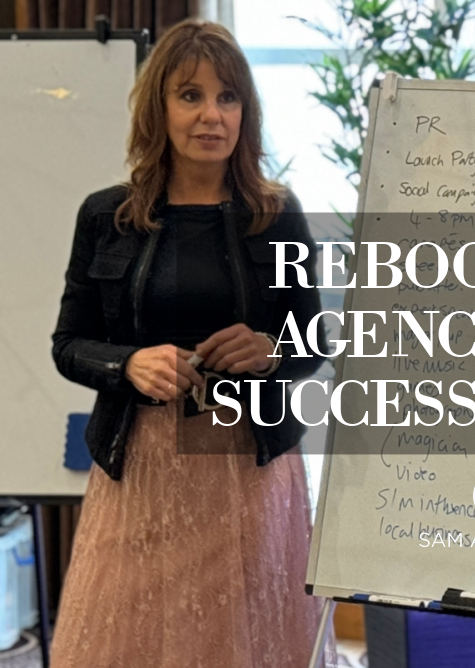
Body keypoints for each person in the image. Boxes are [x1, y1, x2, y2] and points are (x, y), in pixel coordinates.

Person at [50, 20, 328, 667]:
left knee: (250, 641)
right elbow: (68, 343)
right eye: (190, 95)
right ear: (160, 108)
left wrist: (272, 350)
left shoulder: (276, 213)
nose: (211, 115)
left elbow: (312, 341)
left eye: (228, 97)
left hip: (249, 471)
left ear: (245, 112)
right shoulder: (106, 217)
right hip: (141, 469)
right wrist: (128, 364)